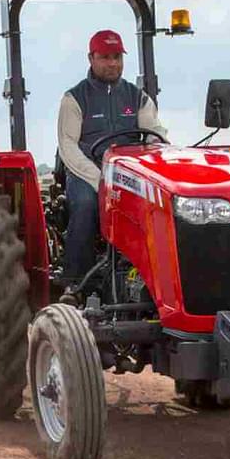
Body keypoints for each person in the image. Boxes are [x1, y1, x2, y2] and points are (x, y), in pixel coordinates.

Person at [57, 29, 167, 281]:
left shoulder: (136, 97)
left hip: (128, 172)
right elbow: (68, 147)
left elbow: (153, 134)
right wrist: (101, 181)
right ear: (91, 58)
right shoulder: (74, 98)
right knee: (85, 206)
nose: (112, 63)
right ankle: (75, 282)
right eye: (105, 57)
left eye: (117, 56)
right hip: (87, 173)